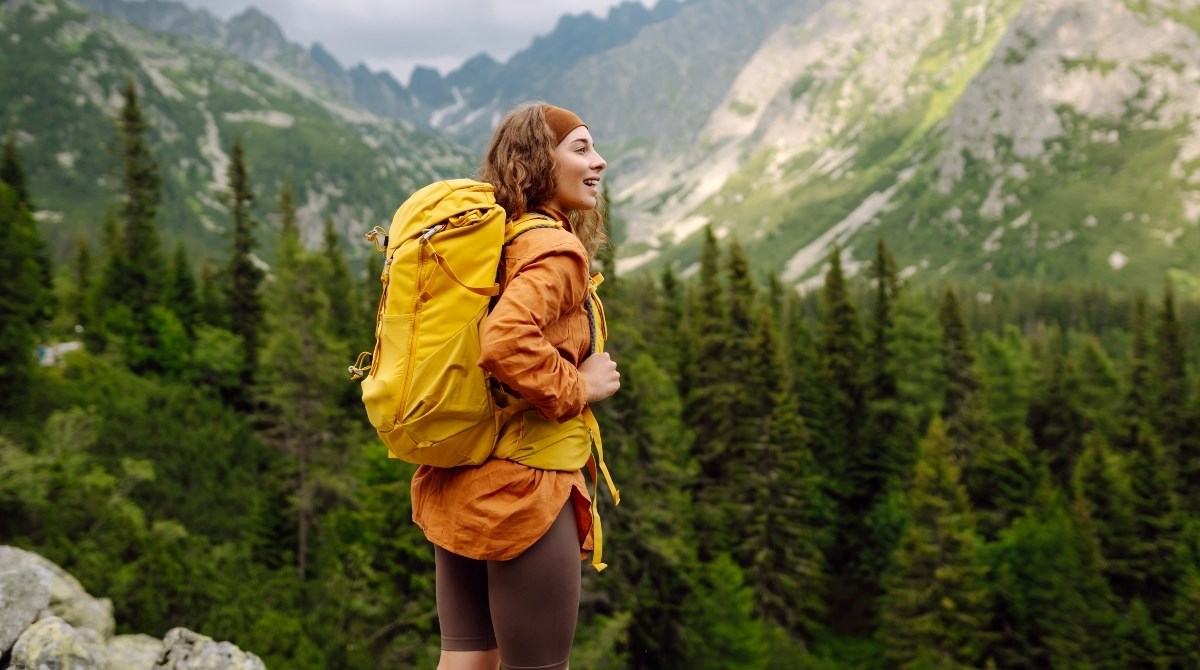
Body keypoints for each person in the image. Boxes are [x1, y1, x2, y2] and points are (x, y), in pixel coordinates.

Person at [410, 102, 622, 670]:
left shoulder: (491, 243)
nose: (598, 161)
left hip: (460, 479)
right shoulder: (553, 249)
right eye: (580, 149)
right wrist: (578, 384)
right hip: (525, 491)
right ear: (537, 161)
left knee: (468, 659)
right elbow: (504, 341)